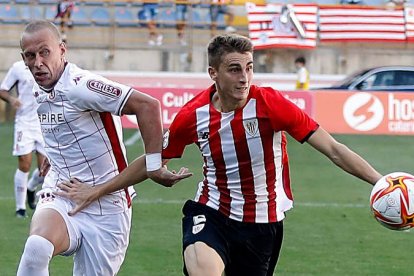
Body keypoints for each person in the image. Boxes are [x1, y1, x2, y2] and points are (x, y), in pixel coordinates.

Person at [56, 34, 382, 275]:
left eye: (249, 69)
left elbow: (335, 151)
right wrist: (99, 190)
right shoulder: (192, 116)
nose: (244, 79)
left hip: (263, 223)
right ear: (214, 73)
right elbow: (153, 159)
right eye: (234, 69)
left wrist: (382, 182)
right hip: (211, 211)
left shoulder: (272, 105)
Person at [16, 20, 190, 275]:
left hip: (108, 206)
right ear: (24, 58)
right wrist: (55, 153)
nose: (38, 62)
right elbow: (60, 118)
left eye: (45, 52)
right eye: (31, 56)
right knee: (37, 248)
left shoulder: (81, 85)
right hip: (63, 191)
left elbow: (148, 106)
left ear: (62, 50)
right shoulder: (39, 84)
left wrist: (154, 166)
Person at [0, 60, 47, 217]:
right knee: (24, 164)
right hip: (24, 123)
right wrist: (13, 100)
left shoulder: (48, 65)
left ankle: (31, 187)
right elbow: (3, 90)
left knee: (44, 170)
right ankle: (20, 208)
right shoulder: (18, 68)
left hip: (44, 123)